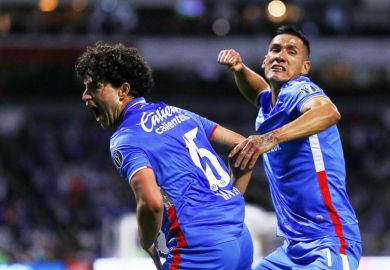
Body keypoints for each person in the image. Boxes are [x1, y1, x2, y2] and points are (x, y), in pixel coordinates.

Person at [76, 42, 253, 269]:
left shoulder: (125, 139)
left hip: (200, 249)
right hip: (240, 237)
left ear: (123, 90)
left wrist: (147, 242)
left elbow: (152, 203)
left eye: (94, 87)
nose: (85, 96)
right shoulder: (178, 112)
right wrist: (232, 197)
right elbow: (246, 146)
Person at [217, 25, 362, 269]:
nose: (281, 55)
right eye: (275, 50)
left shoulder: (300, 90)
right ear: (265, 61)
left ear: (305, 68)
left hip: (328, 241)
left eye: (291, 52)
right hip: (292, 248)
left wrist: (270, 138)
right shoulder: (270, 105)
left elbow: (328, 111)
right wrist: (240, 70)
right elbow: (259, 92)